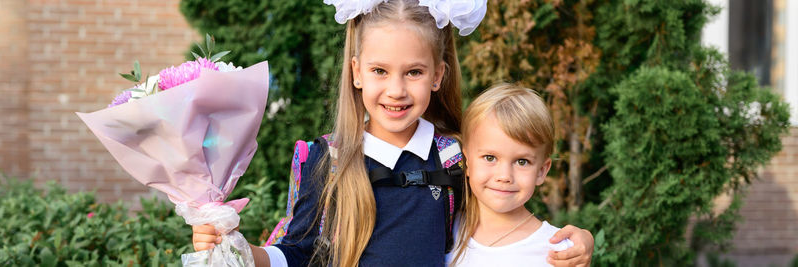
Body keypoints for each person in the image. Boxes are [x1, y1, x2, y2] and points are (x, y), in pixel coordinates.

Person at [192, 1, 594, 266]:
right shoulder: (325, 160)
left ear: (438, 75)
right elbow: (297, 252)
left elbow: (502, 219)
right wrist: (237, 249)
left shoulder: (456, 156)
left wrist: (575, 242)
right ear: (356, 72)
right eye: (380, 71)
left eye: (414, 72)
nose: (397, 90)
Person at [446, 84, 578, 266]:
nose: (504, 176)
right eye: (490, 157)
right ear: (467, 161)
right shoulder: (445, 225)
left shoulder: (559, 252)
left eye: (522, 162)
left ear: (541, 171)